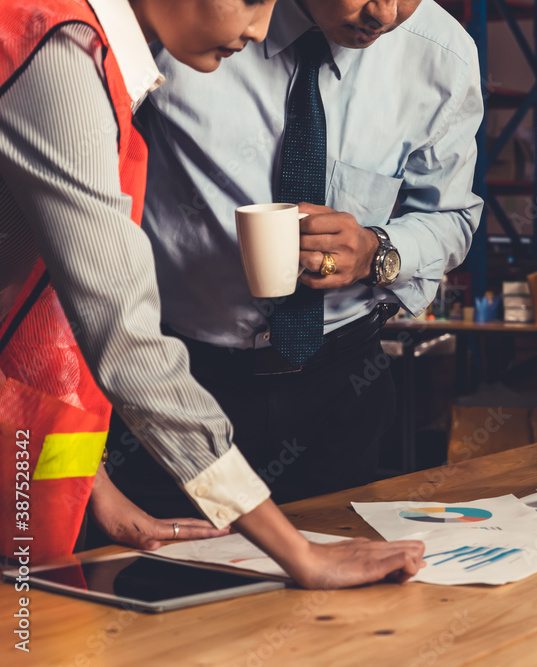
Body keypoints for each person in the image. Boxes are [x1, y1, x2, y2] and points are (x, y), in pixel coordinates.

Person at [0, 0, 423, 587]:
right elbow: (125, 338)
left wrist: (96, 490)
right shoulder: (63, 57)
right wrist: (298, 553)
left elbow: (48, 328)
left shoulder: (76, 50)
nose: (257, 28)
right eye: (250, 1)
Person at [106, 0, 483, 517]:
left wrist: (377, 250)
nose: (386, 13)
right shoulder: (187, 22)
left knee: (338, 583)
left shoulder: (443, 55)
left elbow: (452, 218)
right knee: (164, 582)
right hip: (179, 376)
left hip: (341, 387)